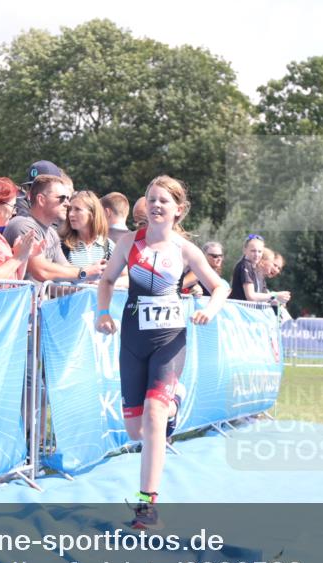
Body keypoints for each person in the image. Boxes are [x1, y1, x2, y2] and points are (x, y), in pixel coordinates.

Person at [95, 175, 229, 530]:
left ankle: (146, 506)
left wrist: (209, 310)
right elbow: (106, 281)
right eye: (151, 199)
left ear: (178, 210)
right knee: (135, 430)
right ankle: (172, 405)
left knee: (154, 417)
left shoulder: (184, 250)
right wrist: (103, 313)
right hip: (133, 341)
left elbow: (221, 286)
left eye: (164, 201)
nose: (156, 205)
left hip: (170, 342)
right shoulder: (128, 243)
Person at [4, 175, 86, 283]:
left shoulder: (52, 232)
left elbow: (65, 268)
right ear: (41, 200)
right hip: (16, 299)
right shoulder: (23, 225)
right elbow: (41, 271)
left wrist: (93, 282)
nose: (67, 204)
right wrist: (85, 273)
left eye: (68, 198)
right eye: (62, 198)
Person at [58, 190, 114, 281]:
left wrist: (103, 285)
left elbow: (126, 278)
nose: (71, 214)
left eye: (77, 209)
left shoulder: (107, 245)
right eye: (69, 210)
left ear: (92, 213)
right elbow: (53, 282)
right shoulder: (62, 246)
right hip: (72, 295)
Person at [229, 234, 290, 305]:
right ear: (245, 250)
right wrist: (276, 296)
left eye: (259, 251)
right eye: (253, 251)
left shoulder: (254, 270)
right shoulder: (245, 265)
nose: (256, 254)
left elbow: (263, 297)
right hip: (239, 310)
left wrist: (278, 300)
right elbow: (251, 296)